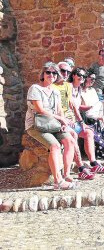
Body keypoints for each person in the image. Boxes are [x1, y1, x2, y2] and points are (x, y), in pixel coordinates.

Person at [25, 62, 76, 190]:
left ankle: (66, 174)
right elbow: (40, 110)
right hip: (37, 125)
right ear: (43, 74)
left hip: (52, 124)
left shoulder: (55, 91)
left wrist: (63, 123)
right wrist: (61, 118)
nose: (51, 75)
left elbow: (59, 110)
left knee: (70, 140)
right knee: (55, 146)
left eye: (54, 73)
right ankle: (58, 182)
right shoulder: (35, 88)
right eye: (48, 72)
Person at [65, 67, 104, 176]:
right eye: (79, 75)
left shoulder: (78, 89)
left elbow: (78, 106)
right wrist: (81, 122)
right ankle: (81, 168)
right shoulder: (68, 87)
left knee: (89, 133)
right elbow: (73, 107)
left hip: (74, 120)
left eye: (84, 76)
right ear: (74, 75)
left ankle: (93, 163)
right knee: (74, 135)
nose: (82, 78)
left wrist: (88, 108)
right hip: (67, 120)